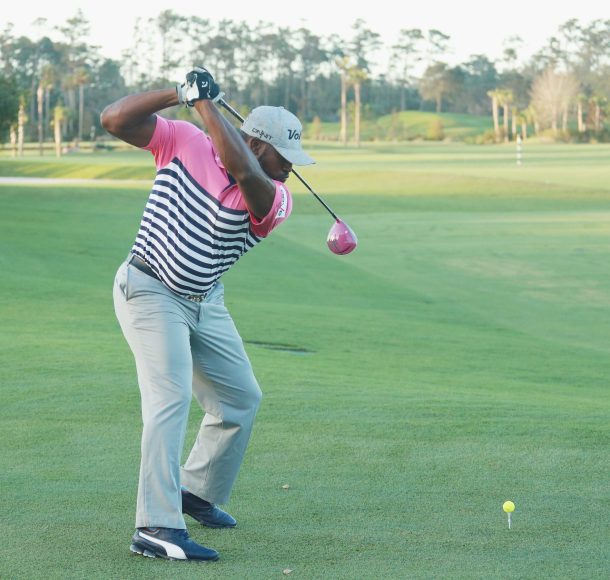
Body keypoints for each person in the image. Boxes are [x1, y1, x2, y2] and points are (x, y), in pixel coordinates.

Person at [100, 67, 314, 562]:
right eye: (286, 157)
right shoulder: (182, 141)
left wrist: (204, 104)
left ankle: (194, 491)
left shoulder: (275, 198)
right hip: (149, 288)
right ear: (259, 143)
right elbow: (114, 119)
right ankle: (155, 525)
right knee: (169, 400)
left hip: (203, 299)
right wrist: (179, 94)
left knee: (240, 398)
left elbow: (244, 173)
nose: (292, 169)